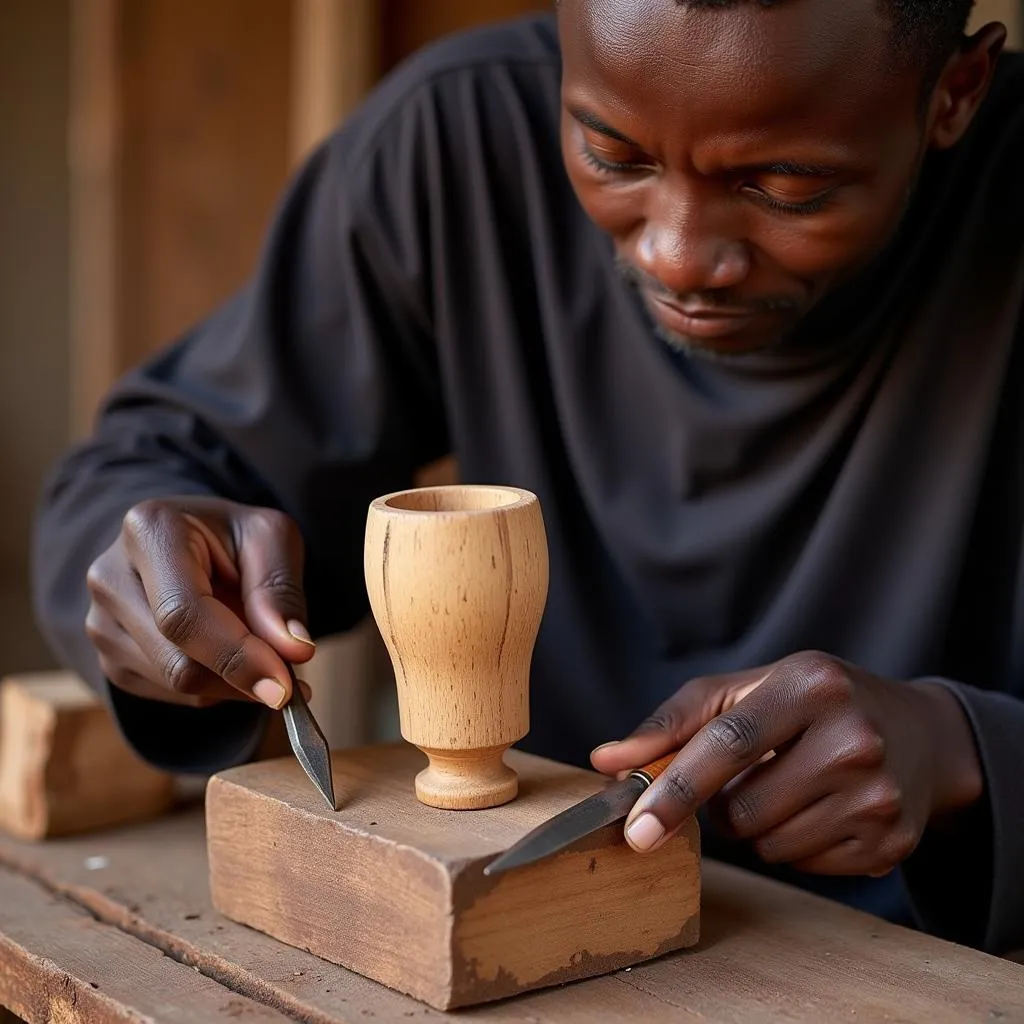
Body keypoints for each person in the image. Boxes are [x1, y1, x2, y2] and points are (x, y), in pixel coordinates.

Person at [30, 0, 1024, 957]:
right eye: (611, 154)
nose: (676, 253)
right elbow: (150, 469)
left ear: (954, 92)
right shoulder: (457, 142)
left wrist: (966, 753)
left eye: (786, 186)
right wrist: (149, 581)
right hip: (535, 940)